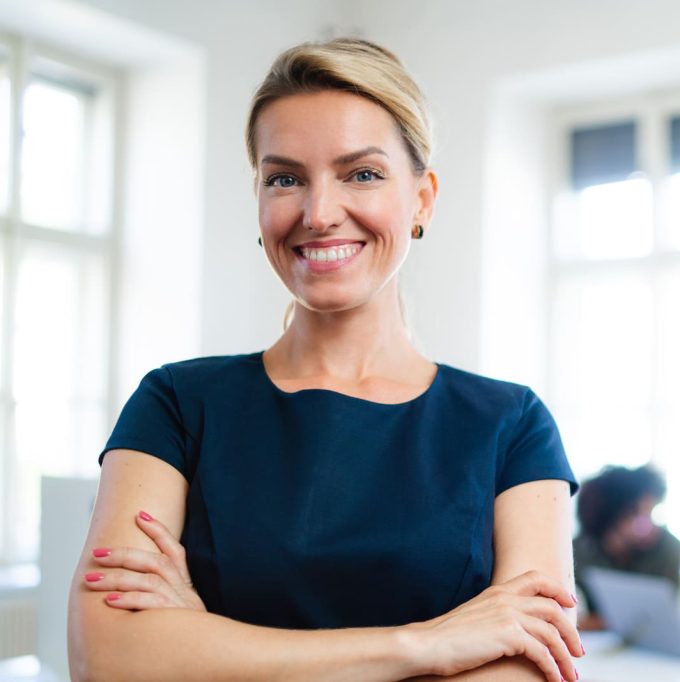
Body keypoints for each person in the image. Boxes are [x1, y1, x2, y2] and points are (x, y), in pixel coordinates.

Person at [68, 38, 584, 681]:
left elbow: (527, 671)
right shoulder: (176, 402)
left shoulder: (512, 424)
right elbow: (108, 660)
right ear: (258, 202)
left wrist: (202, 645)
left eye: (361, 173)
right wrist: (423, 646)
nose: (318, 213)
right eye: (285, 178)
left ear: (422, 198)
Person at [573, 464, 680, 630]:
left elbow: (660, 617)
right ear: (612, 515)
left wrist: (598, 622)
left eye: (650, 512)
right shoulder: (578, 550)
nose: (648, 525)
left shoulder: (667, 548)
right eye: (637, 513)